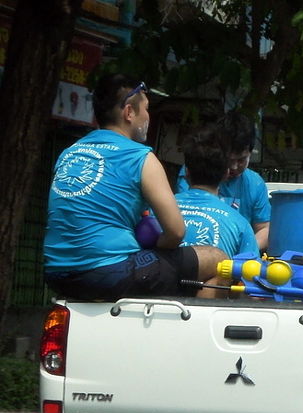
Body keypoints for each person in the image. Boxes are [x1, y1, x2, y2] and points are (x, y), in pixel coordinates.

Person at [43, 73, 228, 301]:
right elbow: (176, 232)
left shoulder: (68, 153)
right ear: (129, 112)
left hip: (57, 274)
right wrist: (155, 245)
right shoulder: (140, 157)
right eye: (146, 109)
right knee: (219, 261)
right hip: (108, 273)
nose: (148, 117)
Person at [176, 111, 271, 252]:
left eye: (241, 160)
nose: (233, 167)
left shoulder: (255, 184)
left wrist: (242, 251)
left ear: (251, 153)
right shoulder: (197, 170)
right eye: (229, 159)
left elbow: (264, 228)